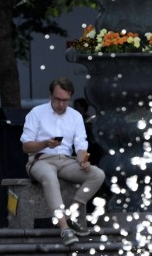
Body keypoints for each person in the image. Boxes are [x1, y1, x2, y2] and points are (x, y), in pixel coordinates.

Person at [19, 77, 106, 246]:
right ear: (50, 96)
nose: (61, 104)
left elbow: (81, 146)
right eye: (57, 99)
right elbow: (26, 147)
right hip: (40, 159)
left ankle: (71, 213)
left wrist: (84, 161)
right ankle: (65, 228)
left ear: (70, 97)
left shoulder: (75, 116)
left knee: (98, 174)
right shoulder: (37, 113)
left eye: (65, 100)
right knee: (50, 178)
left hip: (66, 161)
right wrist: (45, 143)